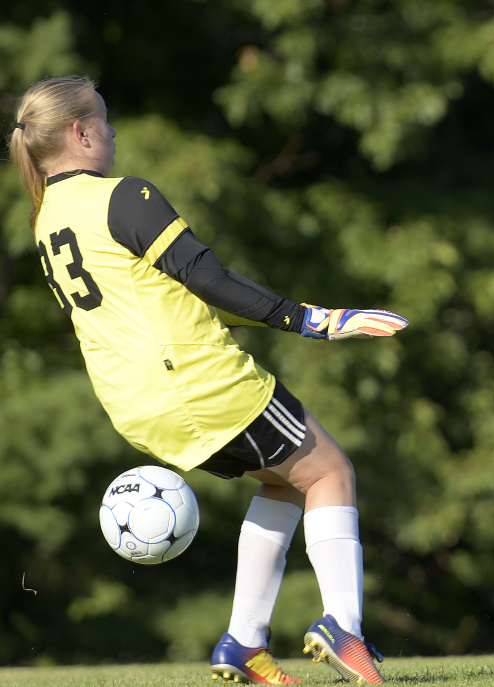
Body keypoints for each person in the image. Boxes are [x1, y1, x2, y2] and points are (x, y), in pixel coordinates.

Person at [10, 76, 406, 685]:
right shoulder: (124, 197)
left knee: (283, 483)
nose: (113, 131)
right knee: (331, 472)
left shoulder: (45, 217)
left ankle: (243, 644)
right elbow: (210, 278)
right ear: (79, 132)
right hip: (196, 382)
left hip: (135, 405)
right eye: (104, 119)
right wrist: (313, 320)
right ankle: (344, 626)